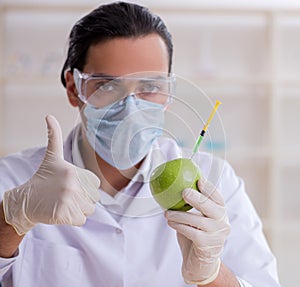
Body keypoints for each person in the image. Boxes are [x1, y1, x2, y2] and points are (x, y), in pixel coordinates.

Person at [0, 2, 281, 287]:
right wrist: (10, 221)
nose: (130, 108)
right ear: (74, 88)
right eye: (107, 86)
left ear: (169, 92)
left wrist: (212, 275)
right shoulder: (13, 182)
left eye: (150, 87)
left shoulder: (212, 183)